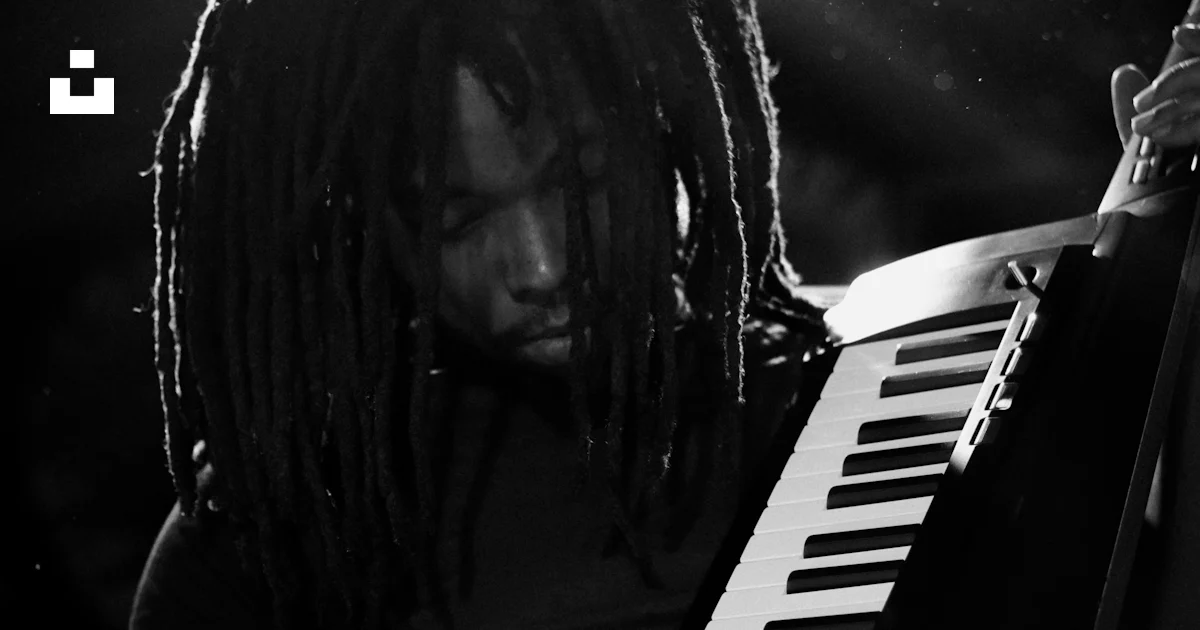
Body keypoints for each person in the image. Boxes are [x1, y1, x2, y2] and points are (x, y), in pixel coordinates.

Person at [129, 0, 1200, 628]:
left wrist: (1149, 237)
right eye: (454, 221)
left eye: (586, 178)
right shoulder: (276, 535)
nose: (543, 263)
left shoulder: (867, 370)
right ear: (355, 223)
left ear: (678, 122)